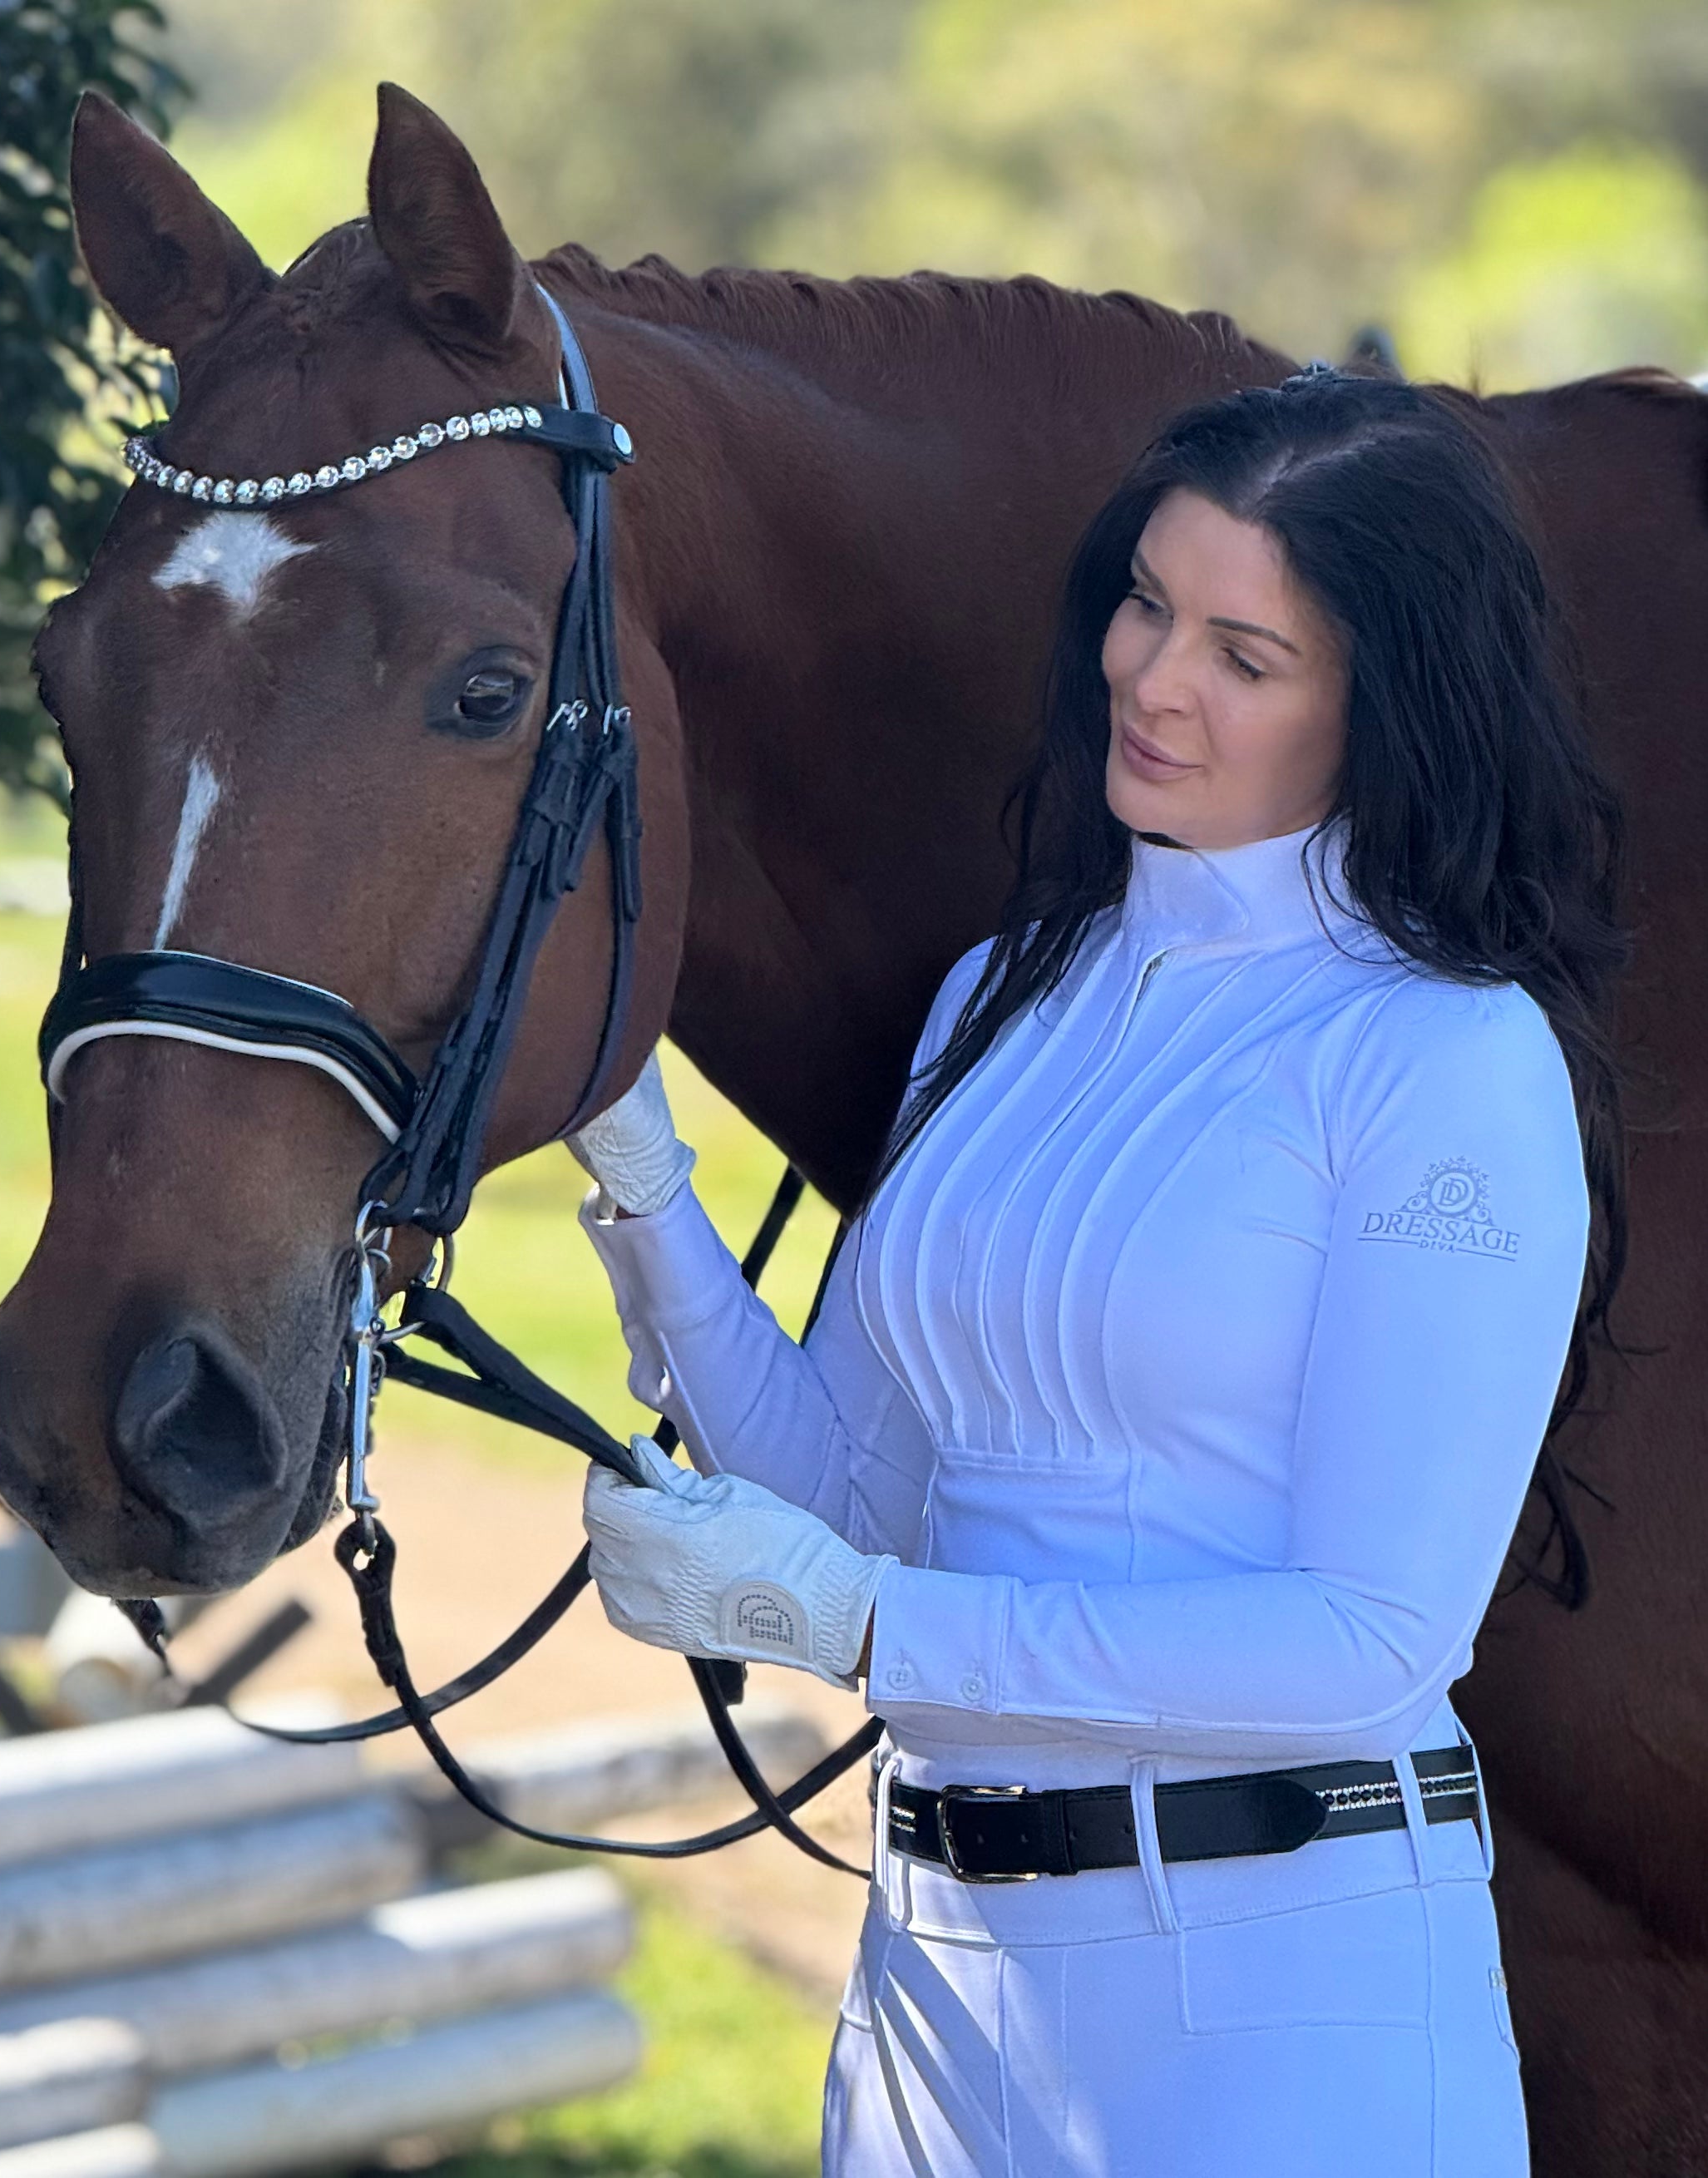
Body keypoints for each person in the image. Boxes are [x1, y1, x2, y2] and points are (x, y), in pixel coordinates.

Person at [565, 368, 1629, 2176]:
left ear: (1380, 708)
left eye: (1243, 654)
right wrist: (643, 1184)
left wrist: (866, 1626)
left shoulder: (1443, 1058)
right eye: (1145, 603)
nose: (1152, 678)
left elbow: (1369, 1634)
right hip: (933, 1980)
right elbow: (855, 1493)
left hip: (1281, 1994)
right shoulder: (999, 999)